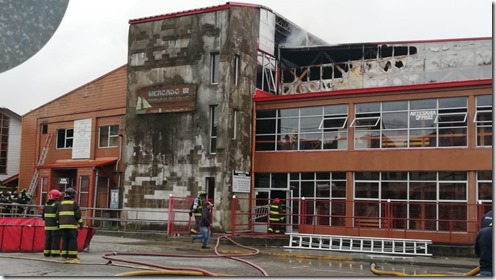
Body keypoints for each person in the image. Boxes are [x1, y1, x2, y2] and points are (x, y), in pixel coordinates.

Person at [56, 187, 83, 263]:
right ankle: (72, 255)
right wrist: (81, 223)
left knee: (65, 240)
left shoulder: (60, 203)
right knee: (72, 240)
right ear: (72, 195)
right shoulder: (74, 203)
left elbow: (57, 215)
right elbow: (78, 215)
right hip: (71, 226)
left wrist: (59, 224)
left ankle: (64, 255)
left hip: (62, 226)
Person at [42, 189, 61, 257]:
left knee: (48, 239)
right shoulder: (58, 204)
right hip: (55, 225)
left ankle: (46, 252)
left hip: (47, 225)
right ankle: (55, 253)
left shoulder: (46, 204)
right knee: (55, 239)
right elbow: (59, 215)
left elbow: (43, 215)